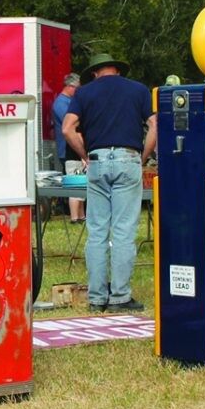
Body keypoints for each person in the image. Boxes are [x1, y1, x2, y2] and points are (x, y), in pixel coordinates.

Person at [62, 53, 156, 313]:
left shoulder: (84, 93)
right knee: (124, 230)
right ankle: (120, 297)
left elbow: (67, 128)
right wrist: (142, 157)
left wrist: (84, 154)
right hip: (128, 158)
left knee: (97, 231)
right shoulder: (138, 90)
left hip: (97, 160)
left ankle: (96, 297)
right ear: (118, 70)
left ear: (94, 73)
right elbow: (154, 124)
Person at [50, 73, 85, 223]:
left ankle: (81, 215)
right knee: (74, 182)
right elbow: (72, 124)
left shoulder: (67, 102)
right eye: (77, 89)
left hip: (75, 148)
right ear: (70, 87)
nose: (78, 92)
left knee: (81, 182)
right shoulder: (61, 103)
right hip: (68, 150)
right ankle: (74, 216)